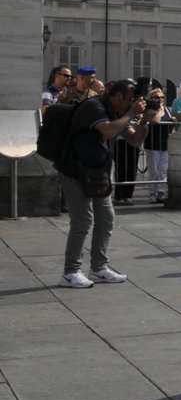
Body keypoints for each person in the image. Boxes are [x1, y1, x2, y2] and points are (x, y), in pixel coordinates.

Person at [57, 78, 159, 288]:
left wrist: (143, 121)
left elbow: (135, 141)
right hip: (74, 169)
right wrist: (131, 113)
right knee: (83, 221)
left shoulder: (118, 113)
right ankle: (70, 272)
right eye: (130, 99)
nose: (133, 103)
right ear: (118, 96)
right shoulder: (93, 107)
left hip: (98, 171)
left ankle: (98, 268)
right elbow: (109, 131)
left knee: (106, 218)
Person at [140, 85, 175, 203]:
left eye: (162, 97)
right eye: (156, 97)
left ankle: (161, 192)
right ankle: (152, 193)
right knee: (153, 170)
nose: (160, 99)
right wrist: (160, 109)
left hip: (165, 143)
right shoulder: (150, 110)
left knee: (163, 170)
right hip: (152, 143)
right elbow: (155, 121)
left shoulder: (167, 110)